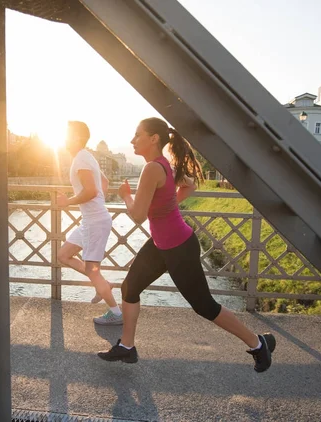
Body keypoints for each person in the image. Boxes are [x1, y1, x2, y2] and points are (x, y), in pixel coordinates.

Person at [97, 117, 276, 372]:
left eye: (137, 135)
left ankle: (258, 344)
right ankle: (127, 347)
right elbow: (188, 186)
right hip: (162, 243)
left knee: (205, 306)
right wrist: (167, 208)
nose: (132, 140)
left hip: (178, 247)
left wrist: (126, 196)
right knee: (130, 287)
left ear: (154, 138)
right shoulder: (163, 165)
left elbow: (137, 214)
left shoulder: (152, 169)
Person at [56, 121, 122, 325]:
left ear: (77, 137)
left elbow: (92, 191)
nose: (64, 139)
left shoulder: (82, 159)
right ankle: (103, 283)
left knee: (93, 271)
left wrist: (68, 201)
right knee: (63, 255)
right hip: (91, 221)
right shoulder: (86, 156)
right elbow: (104, 183)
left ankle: (116, 314)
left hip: (95, 223)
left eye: (67, 135)